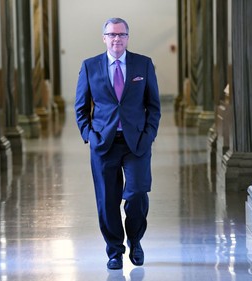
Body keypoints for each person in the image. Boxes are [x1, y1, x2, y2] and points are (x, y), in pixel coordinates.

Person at [74, 17, 161, 270]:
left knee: (137, 194)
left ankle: (135, 240)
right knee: (107, 200)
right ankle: (114, 251)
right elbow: (81, 107)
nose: (116, 39)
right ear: (104, 38)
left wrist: (149, 134)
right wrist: (89, 135)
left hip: (137, 143)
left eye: (121, 35)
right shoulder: (90, 66)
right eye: (112, 35)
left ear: (127, 38)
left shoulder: (143, 65)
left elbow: (154, 106)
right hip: (104, 144)